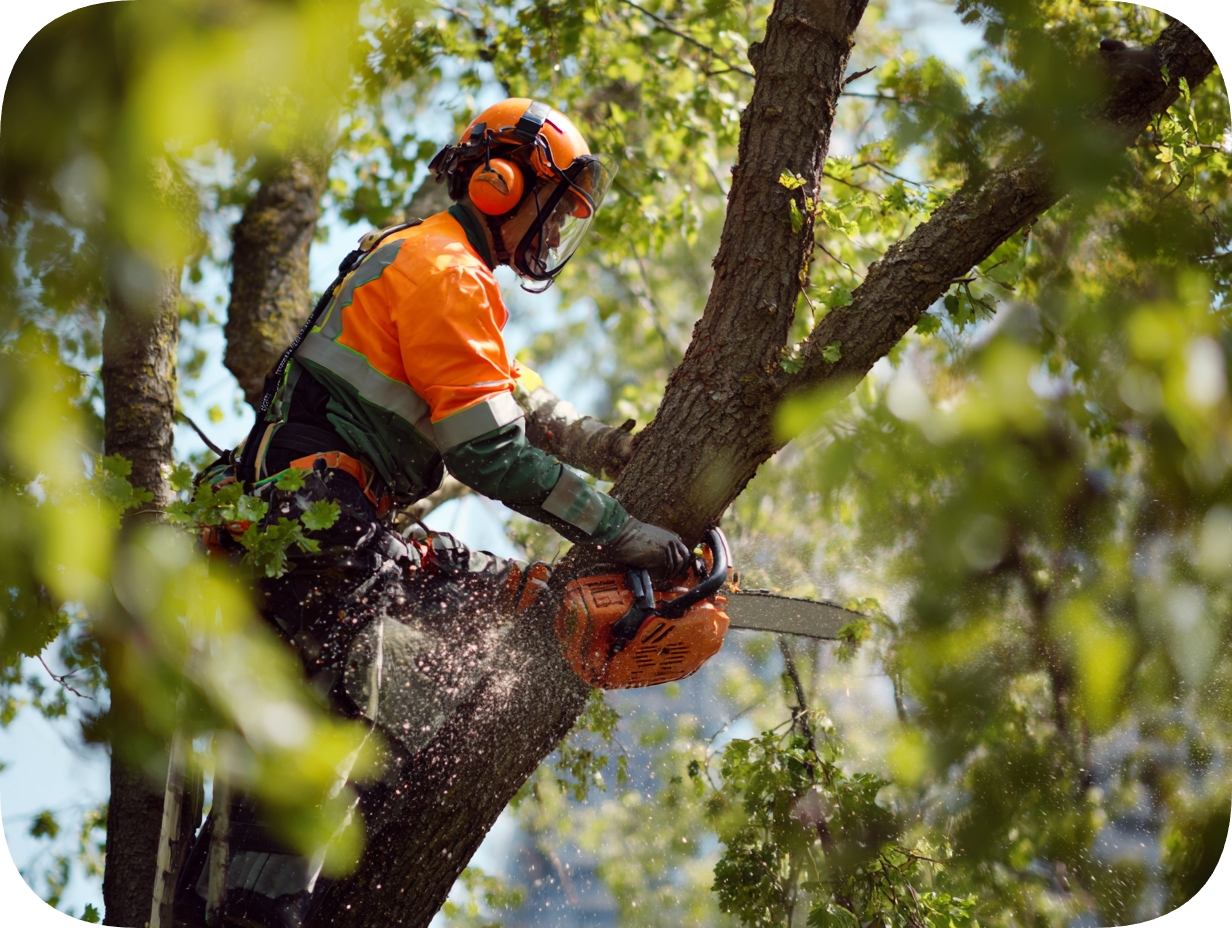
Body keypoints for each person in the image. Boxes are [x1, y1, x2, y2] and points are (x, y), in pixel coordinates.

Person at [174, 99, 688, 928]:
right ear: (499, 183)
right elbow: (491, 452)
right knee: (422, 669)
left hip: (322, 528)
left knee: (486, 609)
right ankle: (252, 906)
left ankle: (263, 892)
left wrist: (604, 445)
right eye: (554, 209)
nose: (557, 232)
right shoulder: (445, 272)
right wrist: (616, 530)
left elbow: (508, 391)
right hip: (322, 527)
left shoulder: (429, 261)